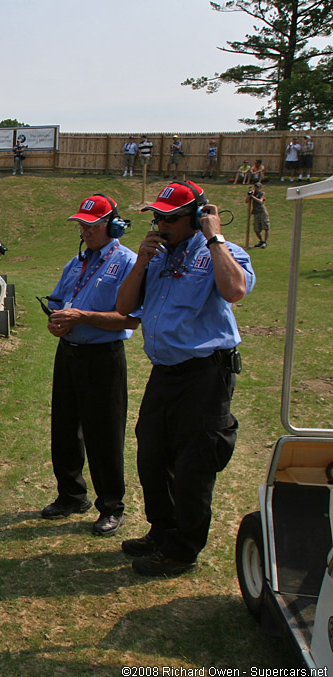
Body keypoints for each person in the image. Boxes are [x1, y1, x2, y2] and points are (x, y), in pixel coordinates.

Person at [116, 180, 255, 576]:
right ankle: (163, 530)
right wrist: (141, 261)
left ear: (197, 217)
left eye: (170, 218)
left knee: (194, 465)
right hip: (165, 374)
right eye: (157, 216)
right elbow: (125, 307)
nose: (161, 224)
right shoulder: (158, 254)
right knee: (152, 455)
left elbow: (235, 290)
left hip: (205, 376)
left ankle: (183, 550)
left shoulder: (222, 252)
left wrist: (215, 240)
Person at [40, 194, 140, 536]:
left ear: (112, 226)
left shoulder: (128, 262)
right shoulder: (76, 262)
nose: (85, 231)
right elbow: (57, 300)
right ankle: (71, 494)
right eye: (81, 225)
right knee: (64, 429)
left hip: (103, 356)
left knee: (104, 433)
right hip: (69, 353)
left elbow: (130, 319)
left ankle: (111, 505)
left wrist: (83, 317)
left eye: (92, 225)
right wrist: (56, 320)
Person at [247, 182, 269, 248]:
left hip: (262, 212)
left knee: (266, 227)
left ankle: (265, 242)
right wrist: (249, 195)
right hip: (256, 212)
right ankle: (261, 241)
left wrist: (252, 197)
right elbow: (246, 201)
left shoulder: (262, 193)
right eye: (255, 187)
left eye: (258, 187)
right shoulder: (254, 194)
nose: (256, 188)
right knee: (256, 229)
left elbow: (260, 201)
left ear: (260, 188)